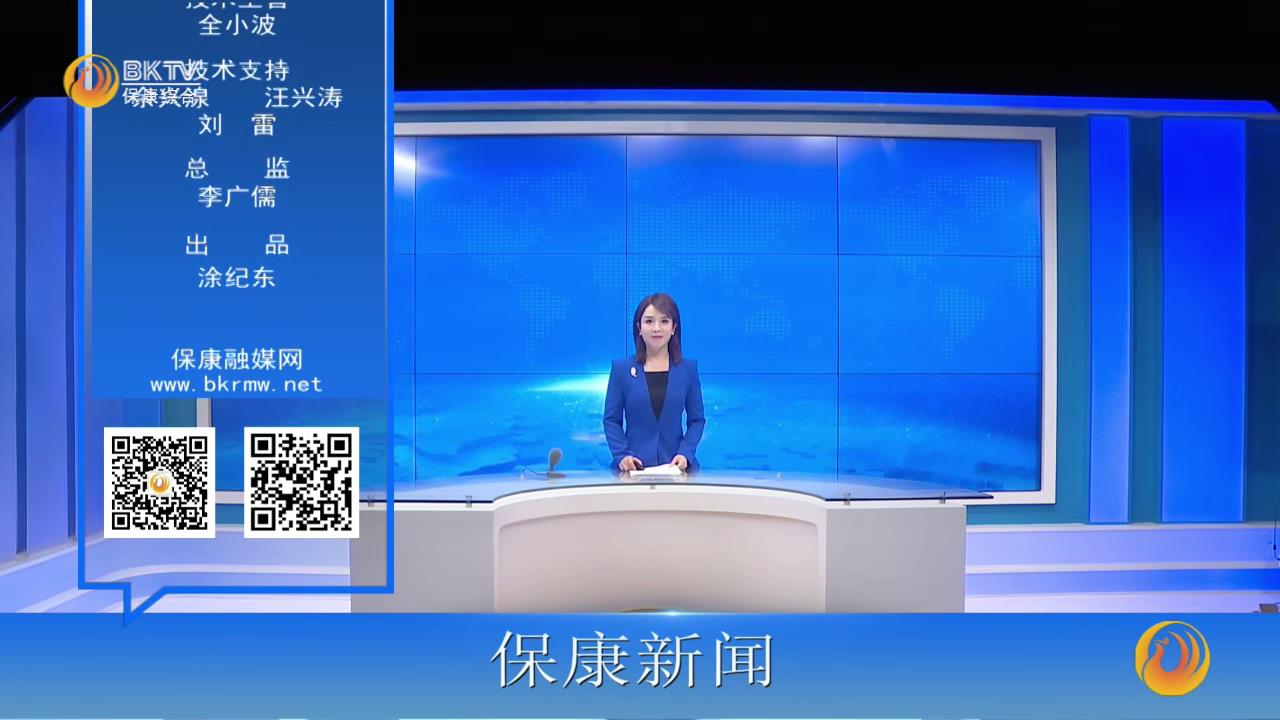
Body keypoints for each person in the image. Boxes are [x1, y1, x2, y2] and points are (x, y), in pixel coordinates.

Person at [602, 293, 705, 473]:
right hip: (633, 470)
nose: (656, 328)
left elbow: (697, 420)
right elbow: (611, 420)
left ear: (673, 327)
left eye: (664, 321)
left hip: (676, 469)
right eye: (649, 321)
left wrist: (685, 454)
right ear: (639, 328)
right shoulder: (621, 369)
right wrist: (622, 455)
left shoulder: (688, 369)